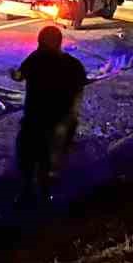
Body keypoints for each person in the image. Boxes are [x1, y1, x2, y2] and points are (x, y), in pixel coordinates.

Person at [11, 24, 88, 206]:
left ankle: (31, 194)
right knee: (48, 162)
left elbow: (19, 75)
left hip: (37, 120)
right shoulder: (74, 65)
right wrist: (71, 119)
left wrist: (14, 73)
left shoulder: (36, 59)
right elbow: (79, 91)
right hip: (58, 121)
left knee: (30, 157)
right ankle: (45, 196)